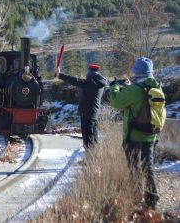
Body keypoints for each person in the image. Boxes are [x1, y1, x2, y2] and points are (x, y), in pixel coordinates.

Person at [109, 57, 160, 209]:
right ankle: (152, 199)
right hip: (151, 135)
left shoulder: (134, 90)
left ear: (137, 72)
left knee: (135, 168)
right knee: (148, 167)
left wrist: (114, 87)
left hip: (133, 136)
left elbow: (116, 101)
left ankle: (137, 198)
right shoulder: (156, 88)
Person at [57, 64, 107, 150]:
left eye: (88, 73)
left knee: (88, 138)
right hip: (93, 113)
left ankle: (90, 159)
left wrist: (60, 75)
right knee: (93, 136)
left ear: (91, 73)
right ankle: (94, 158)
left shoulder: (91, 83)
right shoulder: (99, 82)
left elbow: (76, 81)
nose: (87, 75)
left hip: (87, 113)